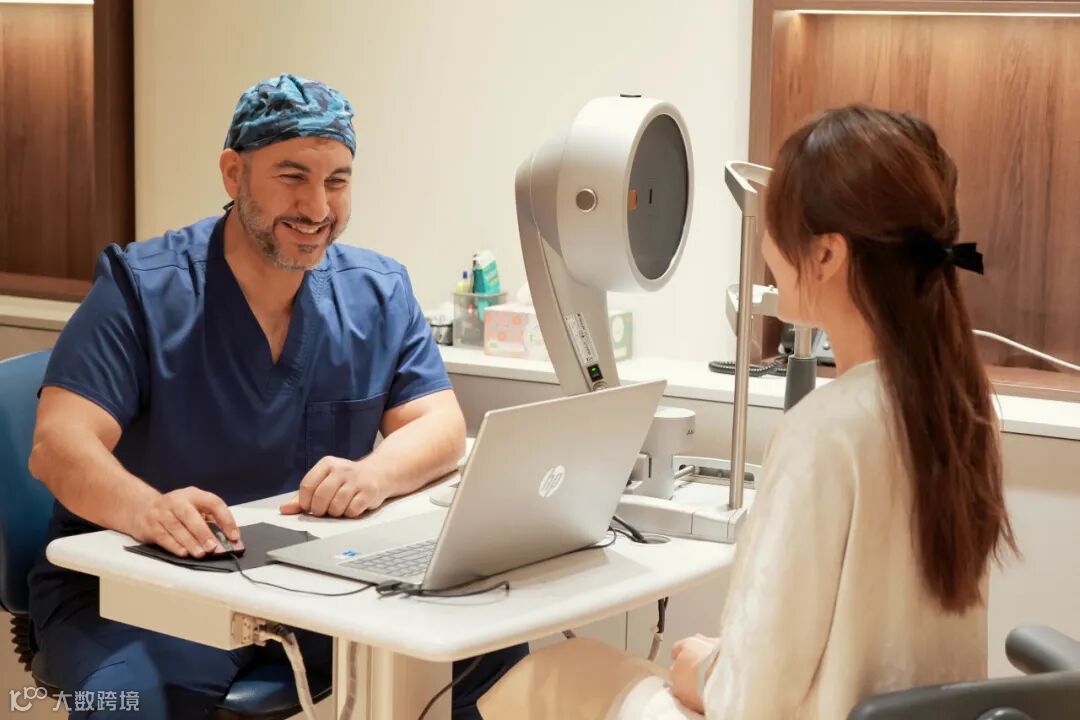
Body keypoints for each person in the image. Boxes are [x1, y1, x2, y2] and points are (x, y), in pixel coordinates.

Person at [477, 105, 1016, 719]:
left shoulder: (825, 432)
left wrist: (702, 669)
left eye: (775, 224)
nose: (765, 246)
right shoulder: (965, 408)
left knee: (550, 674)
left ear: (826, 255)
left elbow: (748, 701)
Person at [27, 73, 526, 719]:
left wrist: (373, 475)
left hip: (306, 578)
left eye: (337, 181)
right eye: (292, 176)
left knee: (482, 650)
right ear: (233, 174)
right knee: (131, 701)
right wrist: (148, 510)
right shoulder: (143, 289)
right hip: (140, 586)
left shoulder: (376, 290)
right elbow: (58, 445)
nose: (317, 207)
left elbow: (439, 423)